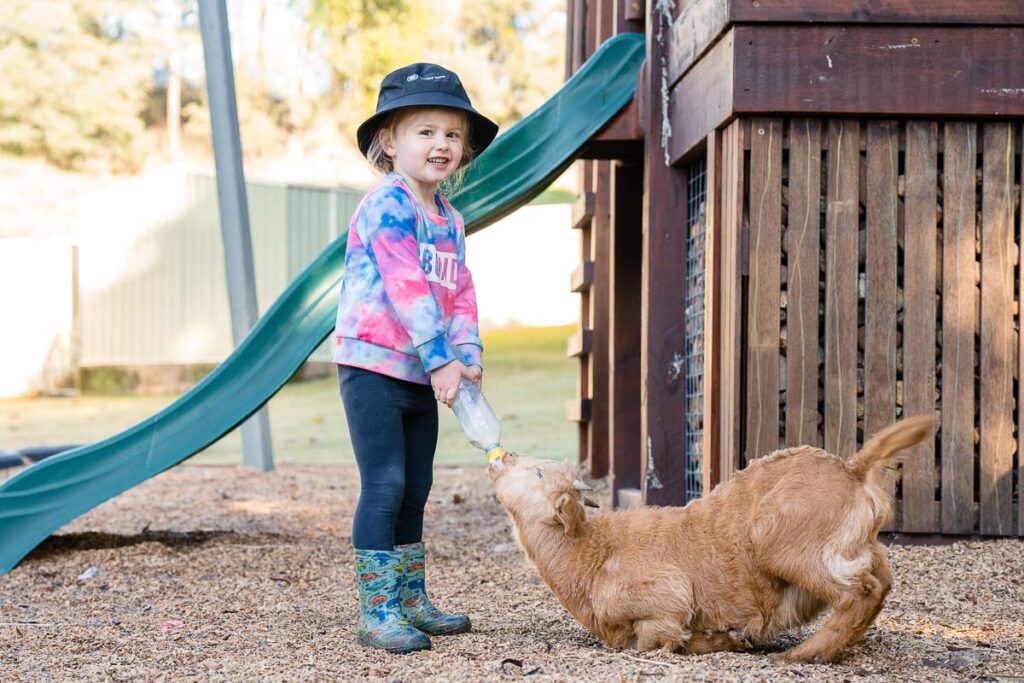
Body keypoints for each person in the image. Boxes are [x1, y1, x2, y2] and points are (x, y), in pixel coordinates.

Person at [333, 63, 498, 654]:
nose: (441, 144)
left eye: (452, 134)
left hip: (424, 372)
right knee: (385, 484)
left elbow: (459, 292)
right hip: (374, 365)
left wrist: (466, 353)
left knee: (417, 486)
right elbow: (406, 285)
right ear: (389, 141)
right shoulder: (388, 203)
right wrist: (440, 358)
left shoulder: (450, 219)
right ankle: (377, 610)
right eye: (425, 132)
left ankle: (410, 599)